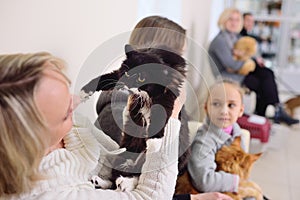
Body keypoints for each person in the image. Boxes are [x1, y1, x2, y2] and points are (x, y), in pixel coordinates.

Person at [0, 52, 186, 199]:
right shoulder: (51, 193)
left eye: (68, 92)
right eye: (65, 113)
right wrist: (171, 115)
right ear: (32, 138)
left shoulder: (73, 127)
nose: (75, 102)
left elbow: (119, 162)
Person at [92, 16, 233, 200]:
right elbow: (131, 190)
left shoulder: (162, 98)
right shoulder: (117, 114)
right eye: (179, 57)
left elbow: (178, 154)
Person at [208, 8, 299, 126]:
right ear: (224, 20)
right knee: (261, 83)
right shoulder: (220, 40)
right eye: (231, 19)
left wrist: (246, 58)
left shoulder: (234, 36)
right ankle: (270, 112)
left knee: (267, 73)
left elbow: (249, 55)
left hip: (240, 72)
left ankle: (273, 111)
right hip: (229, 76)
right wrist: (247, 59)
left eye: (237, 20)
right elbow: (232, 65)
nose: (234, 22)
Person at [188, 78, 247, 193]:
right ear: (206, 108)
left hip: (230, 188)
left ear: (241, 110)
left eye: (231, 105)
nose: (224, 111)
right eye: (216, 104)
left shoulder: (237, 134)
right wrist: (237, 181)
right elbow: (204, 181)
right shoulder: (204, 140)